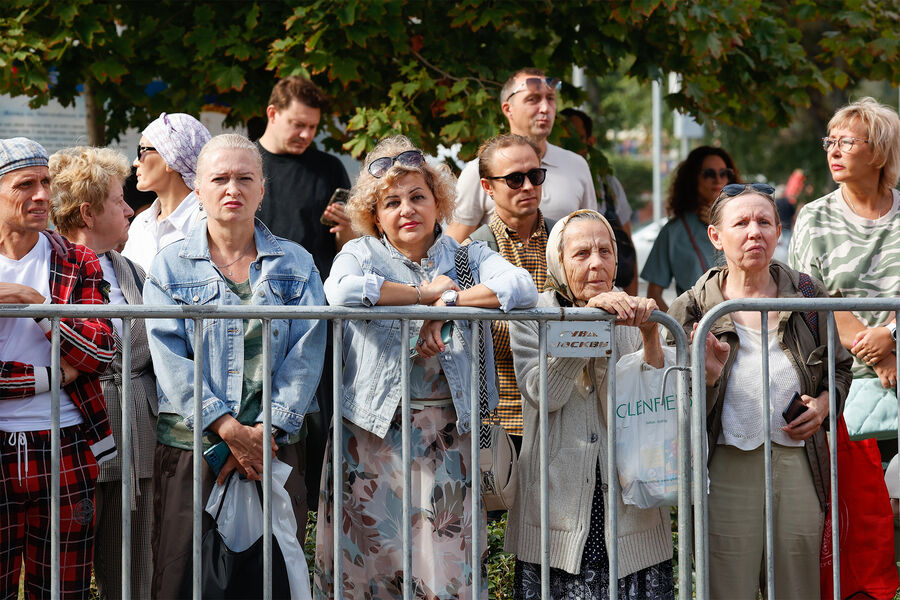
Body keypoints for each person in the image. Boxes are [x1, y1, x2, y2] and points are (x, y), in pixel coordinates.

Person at [316, 135, 538, 599]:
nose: (406, 209)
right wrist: (421, 298)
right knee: (372, 572)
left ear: (438, 202)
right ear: (375, 216)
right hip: (371, 439)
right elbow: (340, 292)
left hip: (447, 440)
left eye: (418, 196)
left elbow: (521, 288)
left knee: (447, 574)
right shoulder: (360, 254)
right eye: (391, 202)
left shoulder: (467, 257)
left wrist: (450, 300)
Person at [144, 134, 326, 599]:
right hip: (192, 449)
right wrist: (226, 428)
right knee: (183, 582)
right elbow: (170, 359)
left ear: (262, 189)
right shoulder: (168, 268)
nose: (233, 189)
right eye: (219, 179)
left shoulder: (297, 263)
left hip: (276, 449)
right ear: (198, 189)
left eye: (245, 178)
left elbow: (307, 353)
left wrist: (265, 431)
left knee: (271, 581)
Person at [670, 183, 853, 599]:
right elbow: (667, 399)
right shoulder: (694, 307)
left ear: (778, 230)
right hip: (724, 465)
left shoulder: (806, 294)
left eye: (765, 221)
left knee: (797, 587)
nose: (755, 231)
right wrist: (708, 379)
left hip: (799, 464)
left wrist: (824, 406)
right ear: (716, 236)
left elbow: (840, 370)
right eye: (741, 223)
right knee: (727, 588)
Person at [507, 209, 674, 599]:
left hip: (630, 510)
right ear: (558, 262)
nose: (596, 262)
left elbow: (655, 399)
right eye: (581, 253)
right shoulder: (533, 314)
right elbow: (541, 393)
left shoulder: (632, 311)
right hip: (555, 510)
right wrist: (587, 327)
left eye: (605, 251)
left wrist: (650, 336)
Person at [0, 138, 117, 598]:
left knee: (63, 590)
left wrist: (40, 306)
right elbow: (77, 361)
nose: (43, 195)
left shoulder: (75, 259)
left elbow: (100, 352)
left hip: (66, 440)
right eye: (25, 184)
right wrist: (52, 376)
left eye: (46, 182)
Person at [48, 146, 157, 599]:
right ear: (88, 213)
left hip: (138, 438)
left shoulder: (133, 271)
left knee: (133, 575)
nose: (130, 208)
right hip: (73, 438)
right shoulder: (48, 271)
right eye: (119, 200)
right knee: (60, 576)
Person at [256, 75, 353, 511]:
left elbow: (347, 250)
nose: (305, 135)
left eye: (312, 127)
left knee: (317, 413)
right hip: (253, 307)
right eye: (297, 124)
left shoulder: (328, 167)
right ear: (272, 113)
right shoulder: (246, 162)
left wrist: (346, 227)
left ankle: (314, 505)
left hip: (316, 310)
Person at [790, 97, 900, 439]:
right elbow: (812, 297)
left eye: (846, 142)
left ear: (879, 152)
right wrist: (881, 358)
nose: (833, 151)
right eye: (830, 142)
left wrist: (892, 336)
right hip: (846, 388)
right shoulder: (814, 218)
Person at [466, 133, 552, 451]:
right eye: (515, 179)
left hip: (560, 414)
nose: (528, 186)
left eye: (535, 175)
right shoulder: (469, 252)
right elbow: (478, 341)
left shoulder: (568, 240)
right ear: (488, 187)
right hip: (497, 421)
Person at [446, 68, 597, 242]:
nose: (545, 108)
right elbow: (454, 247)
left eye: (550, 98)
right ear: (508, 109)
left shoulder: (576, 165)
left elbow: (593, 236)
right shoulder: (480, 170)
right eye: (533, 99)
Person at [641, 145, 739, 311]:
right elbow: (653, 294)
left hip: (742, 321)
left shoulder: (744, 223)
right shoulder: (673, 231)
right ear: (693, 179)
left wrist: (719, 223)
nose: (718, 180)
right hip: (697, 329)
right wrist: (678, 327)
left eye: (724, 173)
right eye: (709, 174)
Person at [560, 107, 639, 294]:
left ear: (590, 142)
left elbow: (626, 247)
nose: (569, 145)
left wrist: (631, 302)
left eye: (576, 138)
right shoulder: (539, 181)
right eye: (564, 138)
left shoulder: (608, 184)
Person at [121, 112, 211, 272]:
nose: (135, 162)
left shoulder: (208, 223)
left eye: (141, 151)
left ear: (171, 158)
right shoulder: (141, 224)